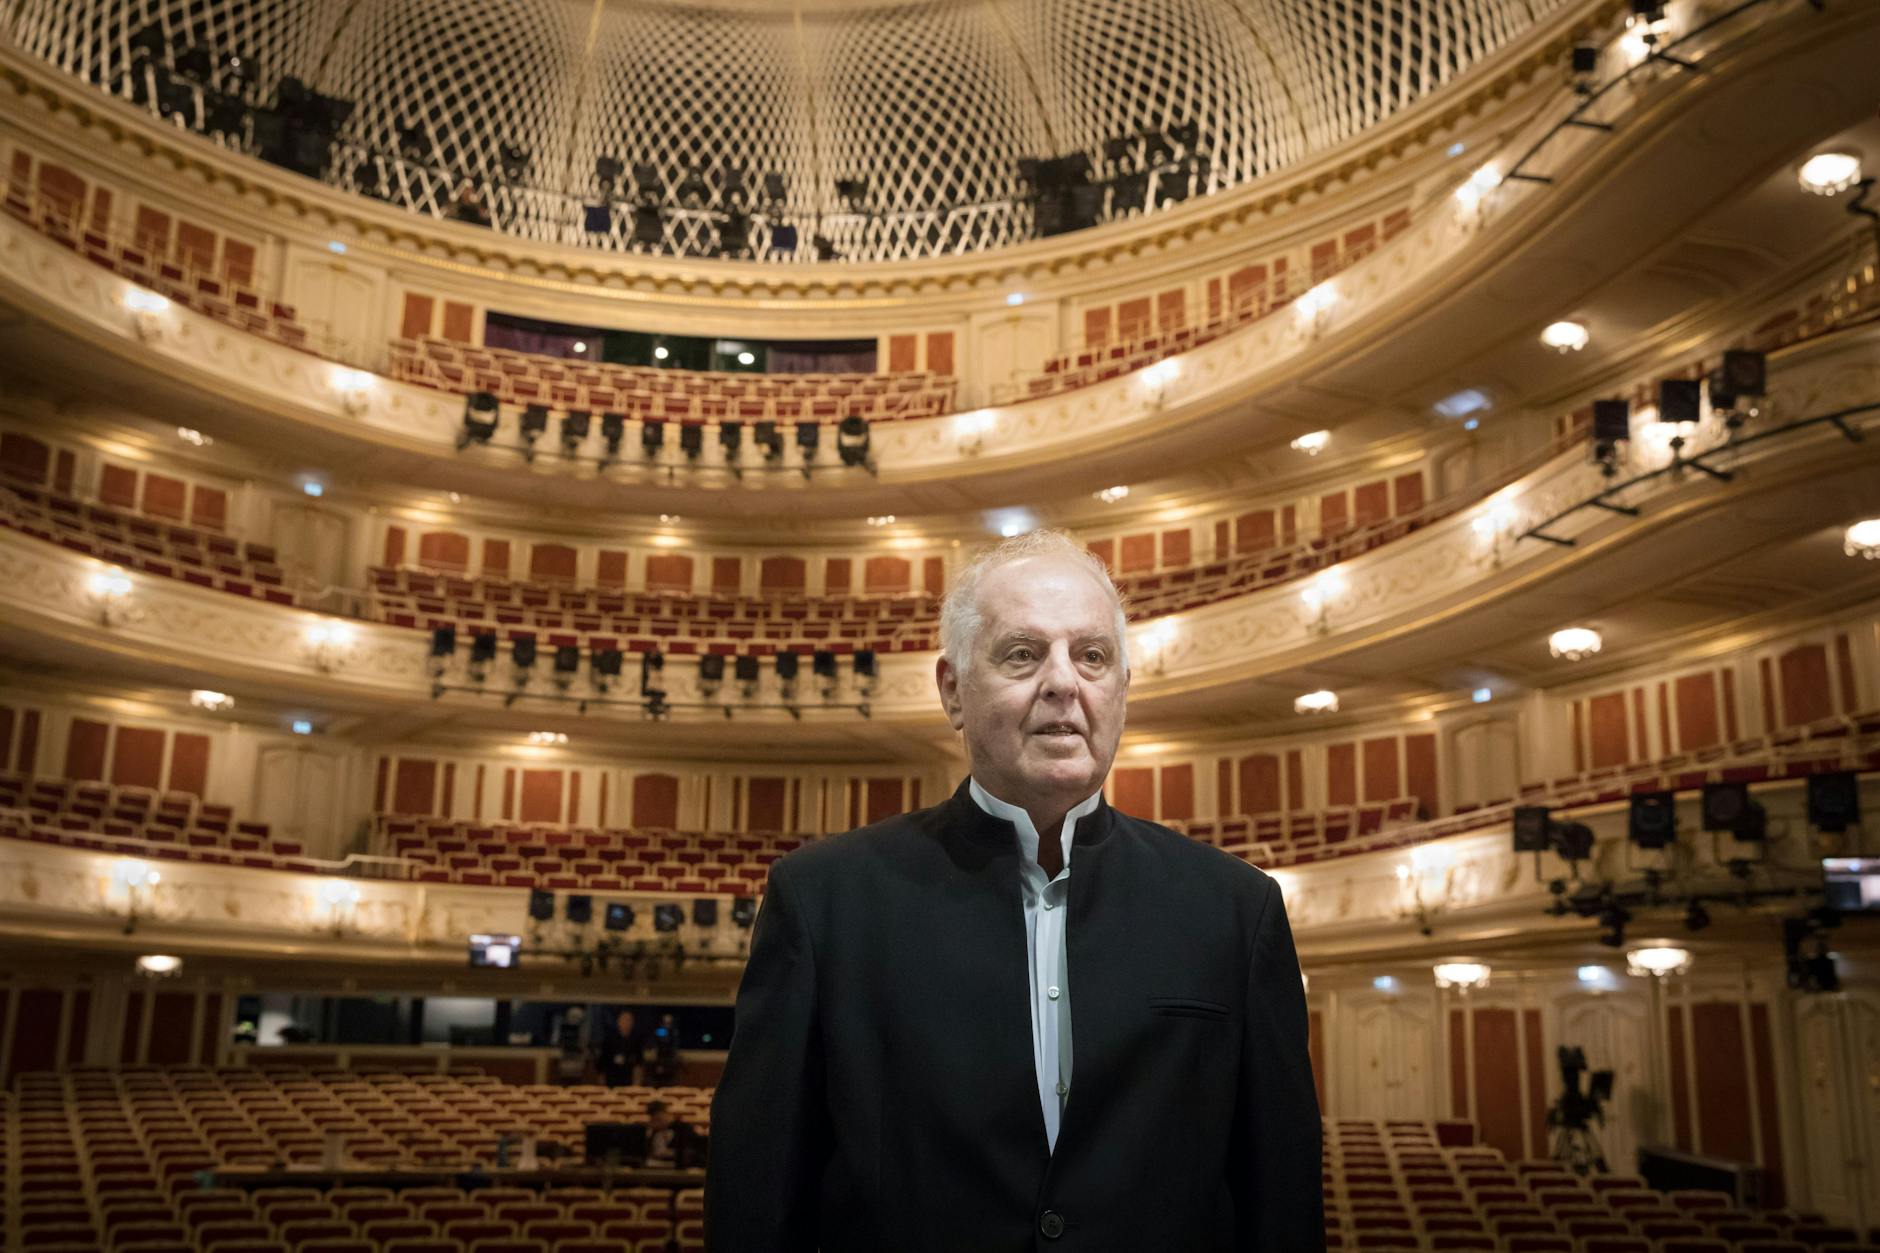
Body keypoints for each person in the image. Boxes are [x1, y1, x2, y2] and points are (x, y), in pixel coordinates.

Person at [706, 529, 1323, 1251]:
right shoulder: (823, 903)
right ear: (953, 691)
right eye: (1023, 654)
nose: (1064, 681)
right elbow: (755, 1206)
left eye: (1092, 655)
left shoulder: (1236, 909)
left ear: (1121, 689)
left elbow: (1281, 1207)